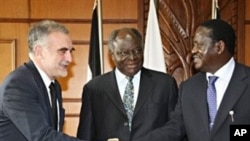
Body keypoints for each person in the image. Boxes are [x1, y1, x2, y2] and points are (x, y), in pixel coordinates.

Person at [133, 19, 250, 141]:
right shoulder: (188, 88)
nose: (193, 50)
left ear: (219, 47)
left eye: (199, 45)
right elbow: (174, 129)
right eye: (194, 45)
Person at [76, 27, 178, 141]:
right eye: (124, 52)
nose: (132, 57)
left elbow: (175, 128)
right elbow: (85, 136)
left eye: (137, 51)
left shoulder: (165, 84)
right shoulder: (94, 89)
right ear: (112, 55)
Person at [0, 20, 85, 141]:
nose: (69, 59)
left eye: (70, 51)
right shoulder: (18, 85)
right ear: (39, 52)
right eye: (63, 51)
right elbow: (42, 137)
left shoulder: (54, 86)